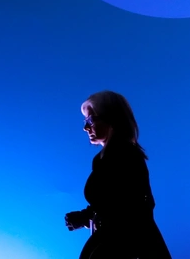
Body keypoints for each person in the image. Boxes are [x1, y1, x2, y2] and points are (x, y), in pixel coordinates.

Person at [64, 91, 172, 259]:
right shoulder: (103, 159)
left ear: (112, 119)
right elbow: (112, 201)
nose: (86, 127)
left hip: (125, 248)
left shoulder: (127, 156)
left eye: (91, 119)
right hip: (112, 244)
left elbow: (131, 207)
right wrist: (86, 217)